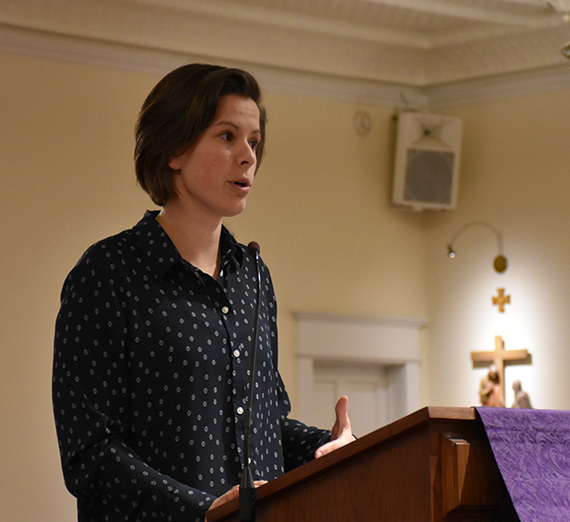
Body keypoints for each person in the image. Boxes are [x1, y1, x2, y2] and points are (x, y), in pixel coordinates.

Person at [52, 63, 354, 522]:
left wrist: (325, 448)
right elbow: (90, 454)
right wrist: (203, 510)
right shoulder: (108, 273)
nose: (249, 156)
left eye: (254, 141)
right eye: (228, 136)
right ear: (175, 147)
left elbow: (263, 430)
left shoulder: (254, 277)